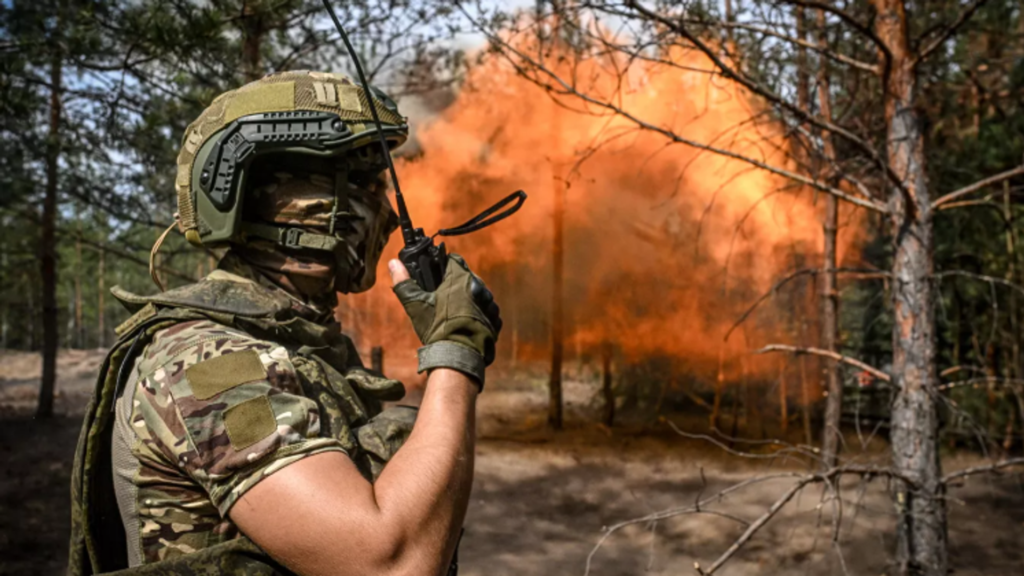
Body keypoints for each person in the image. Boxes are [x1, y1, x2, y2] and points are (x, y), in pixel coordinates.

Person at [67, 70, 501, 576]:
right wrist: (454, 352)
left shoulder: (296, 341)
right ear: (276, 205)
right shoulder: (209, 365)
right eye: (361, 183)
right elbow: (389, 563)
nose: (384, 211)